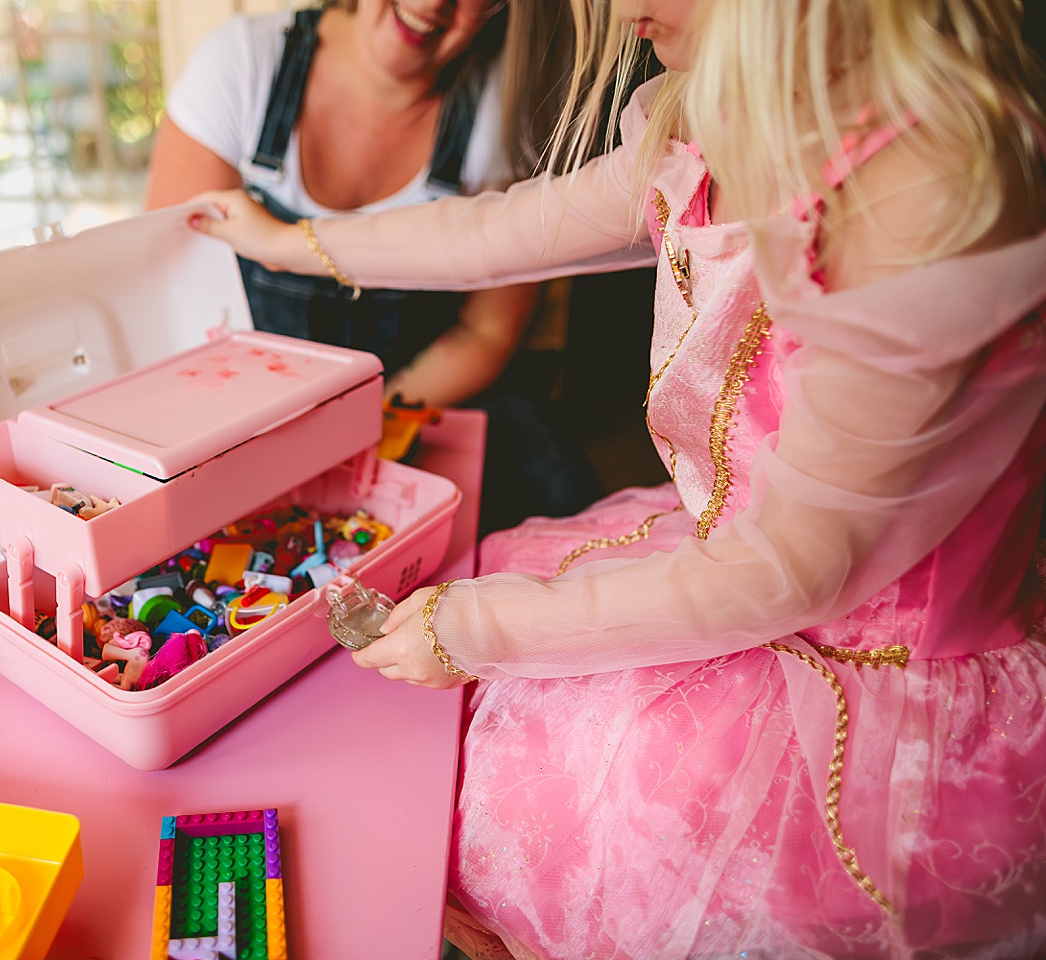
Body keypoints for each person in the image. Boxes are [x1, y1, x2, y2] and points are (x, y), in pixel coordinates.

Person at [186, 0, 1046, 956]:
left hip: (872, 679)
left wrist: (474, 627)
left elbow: (793, 571)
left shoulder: (927, 193)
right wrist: (291, 242)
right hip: (738, 574)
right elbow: (505, 231)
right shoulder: (707, 122)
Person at [146, 0, 606, 533]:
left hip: (416, 400)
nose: (433, 3)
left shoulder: (509, 114)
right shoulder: (243, 64)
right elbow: (170, 296)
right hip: (234, 418)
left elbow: (486, 330)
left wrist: (362, 423)